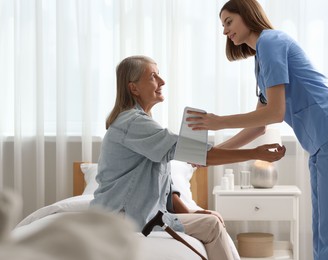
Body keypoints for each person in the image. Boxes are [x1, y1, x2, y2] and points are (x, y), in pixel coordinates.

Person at [187, 1, 328, 260]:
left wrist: (218, 121)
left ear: (247, 15)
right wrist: (211, 153)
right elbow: (259, 126)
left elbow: (274, 113)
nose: (225, 31)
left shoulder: (270, 42)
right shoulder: (261, 56)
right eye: (222, 25)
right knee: (323, 232)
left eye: (229, 21)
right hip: (322, 142)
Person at [90, 55, 286, 260]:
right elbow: (202, 155)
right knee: (212, 226)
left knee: (211, 222)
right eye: (153, 77)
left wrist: (191, 213)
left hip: (144, 217)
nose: (162, 82)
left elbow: (167, 186)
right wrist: (255, 153)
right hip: (124, 220)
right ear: (134, 88)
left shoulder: (138, 123)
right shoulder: (133, 123)